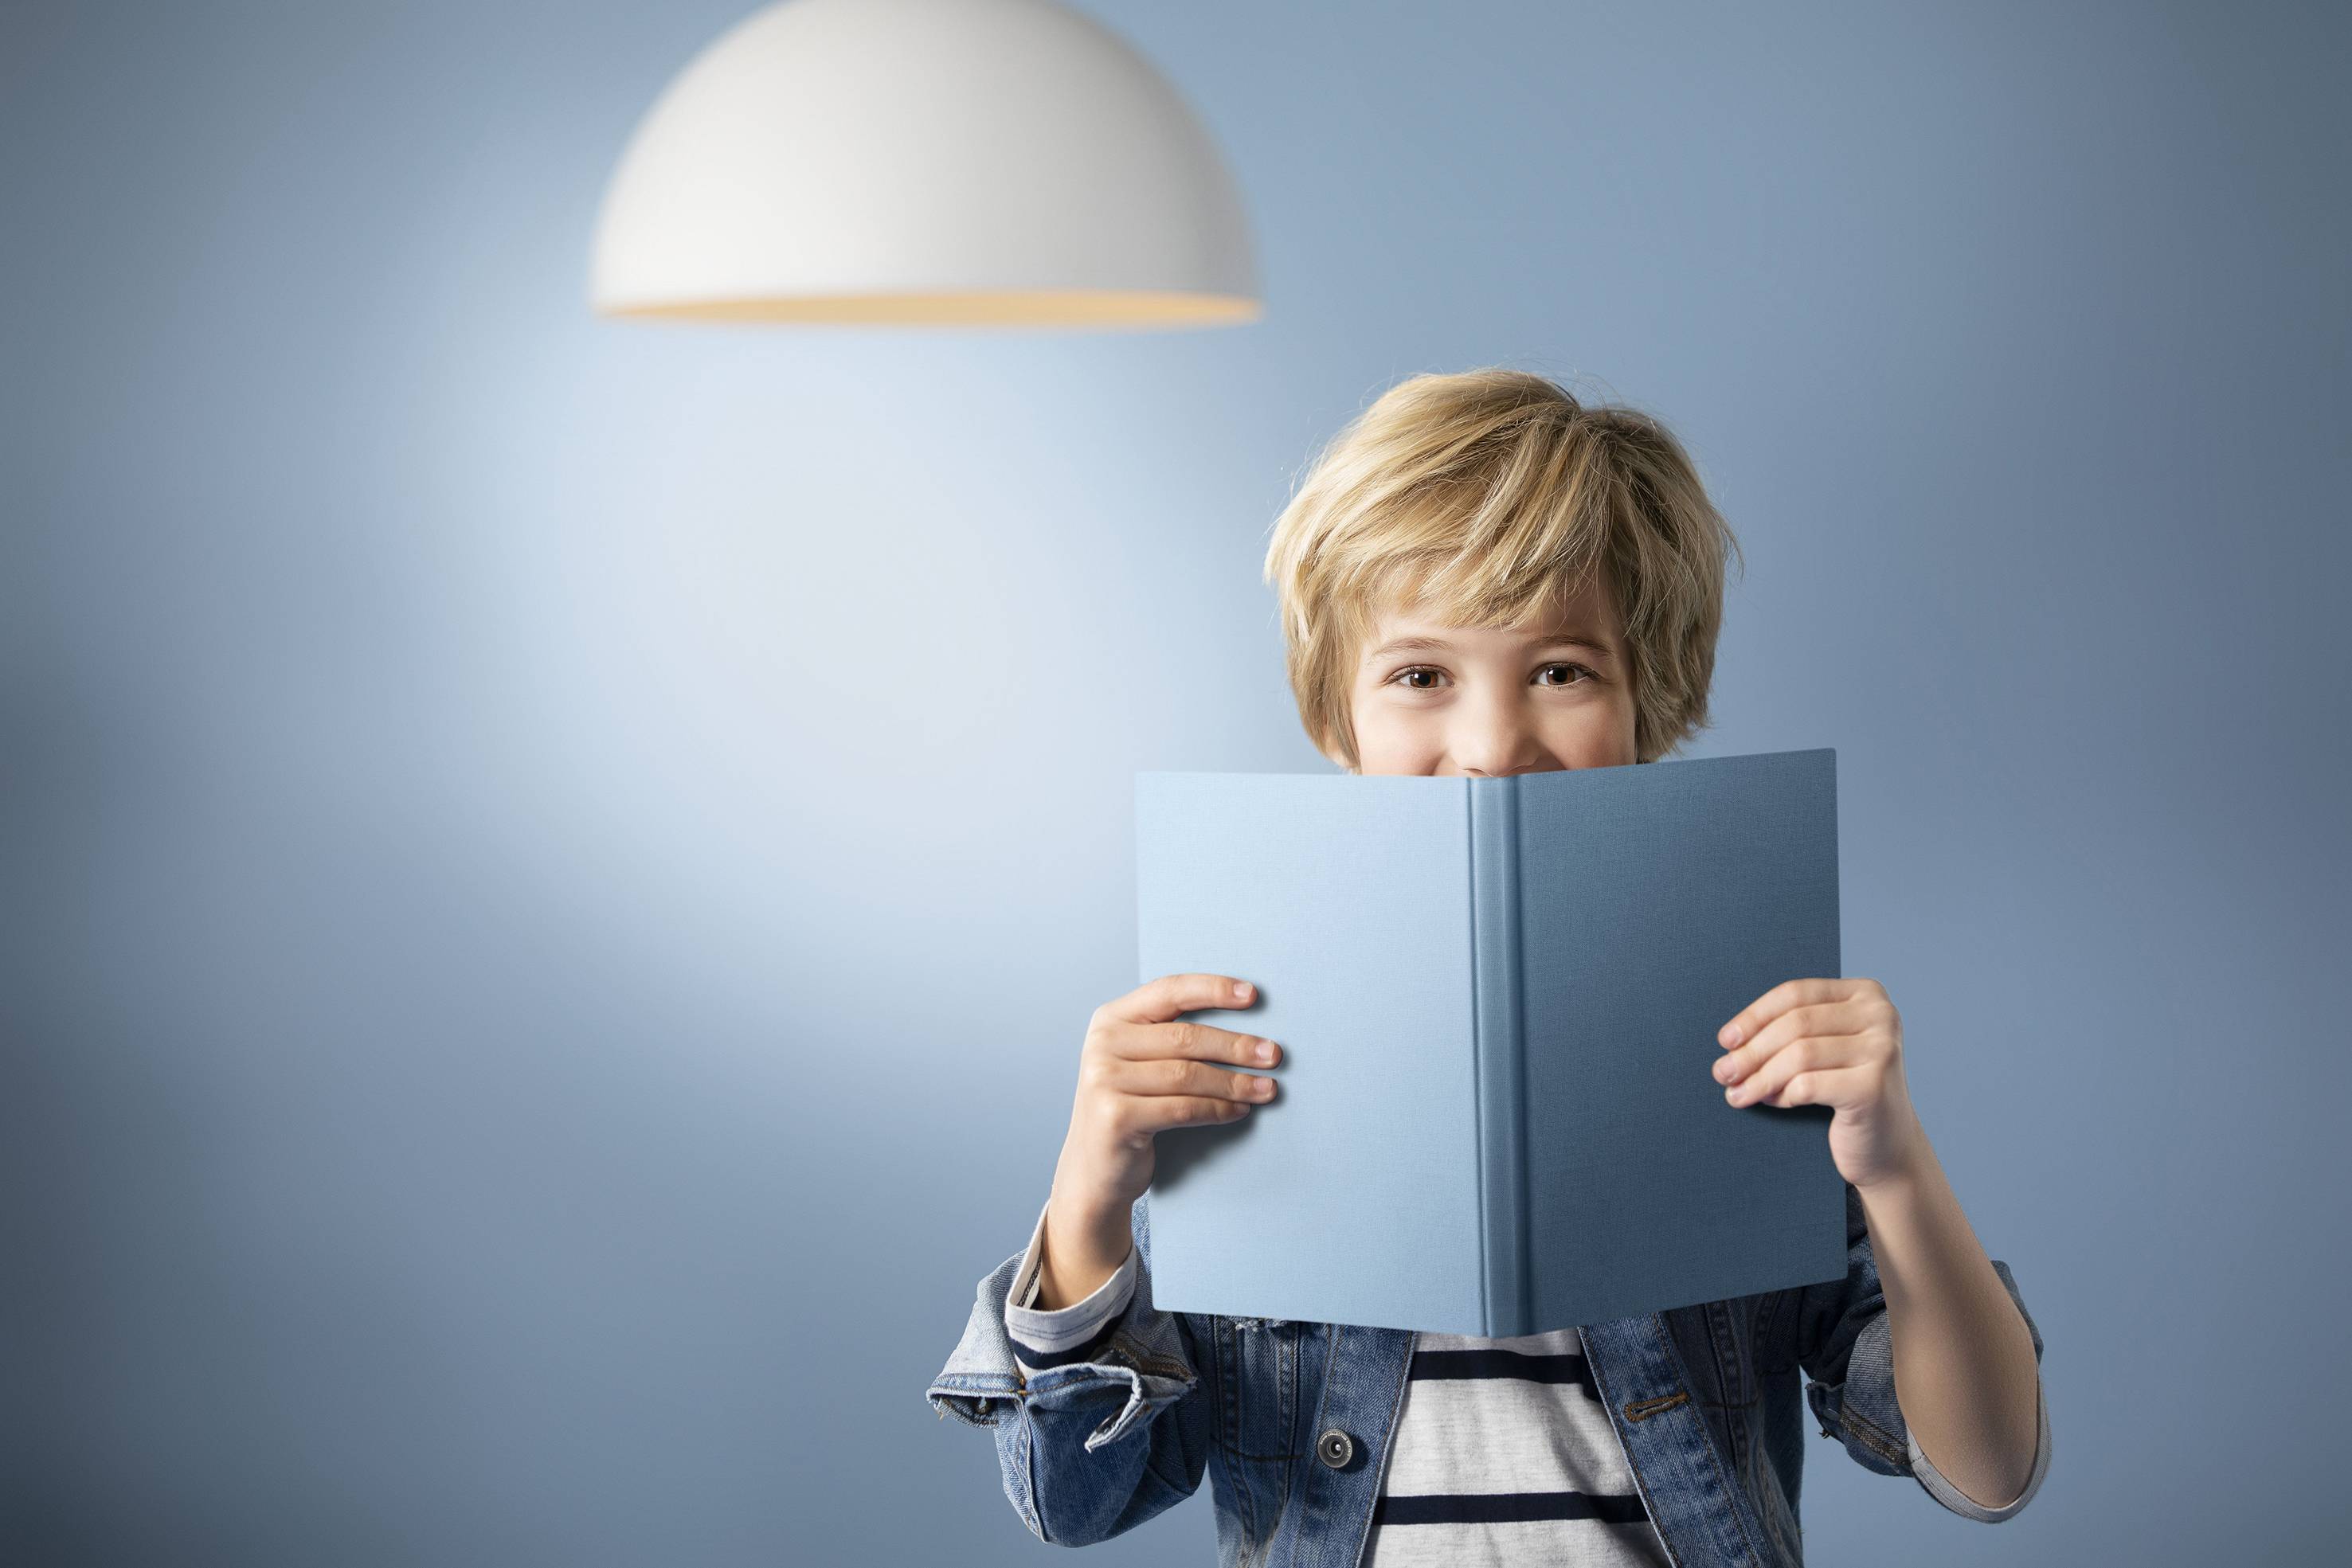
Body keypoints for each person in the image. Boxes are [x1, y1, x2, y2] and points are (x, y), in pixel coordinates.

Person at [927, 368, 2049, 1567]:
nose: (1491, 747)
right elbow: (1080, 1502)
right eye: (1420, 674)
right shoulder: (1243, 1039)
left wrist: (1895, 1166)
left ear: (1646, 697)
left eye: (1561, 670)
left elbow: (1985, 1470)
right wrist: (1088, 1206)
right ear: (1340, 715)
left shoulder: (1749, 1038)